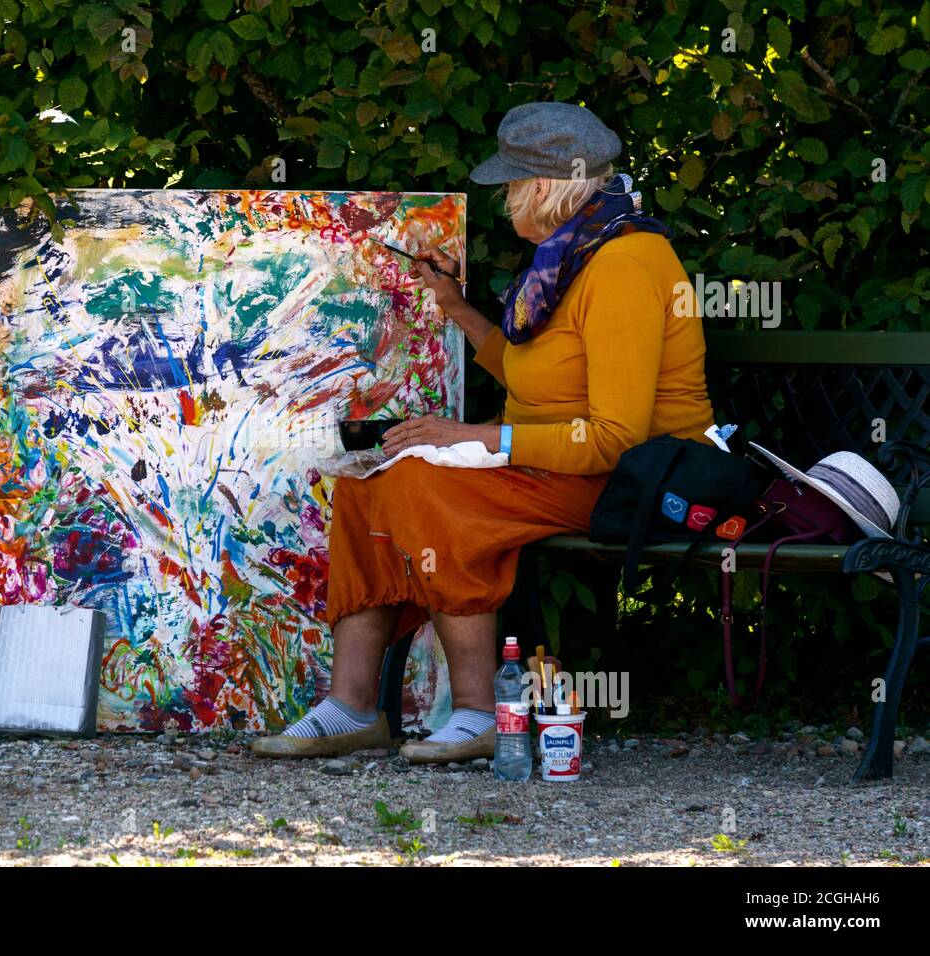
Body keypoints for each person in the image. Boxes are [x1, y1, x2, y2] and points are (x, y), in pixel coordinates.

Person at [253, 101, 716, 762]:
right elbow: (534, 374)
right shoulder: (573, 250)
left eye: (512, 187)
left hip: (627, 479)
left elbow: (614, 439)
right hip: (551, 460)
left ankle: (477, 713)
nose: (505, 202)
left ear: (547, 188)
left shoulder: (624, 265)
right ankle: (352, 705)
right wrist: (455, 307)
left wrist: (472, 440)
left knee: (428, 486)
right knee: (368, 482)